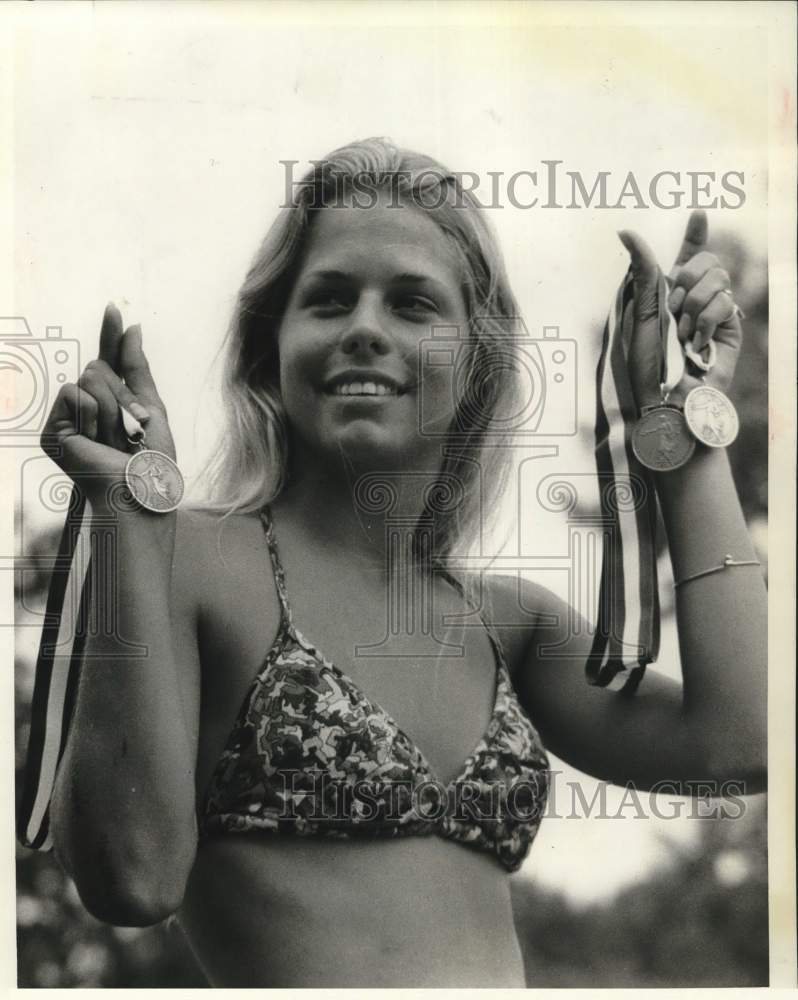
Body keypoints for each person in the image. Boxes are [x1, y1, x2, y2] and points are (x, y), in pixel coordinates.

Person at [41, 139, 766, 988]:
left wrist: (686, 425)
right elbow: (131, 879)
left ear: (477, 359)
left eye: (414, 304)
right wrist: (130, 513)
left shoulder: (509, 626)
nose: (363, 329)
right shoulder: (188, 558)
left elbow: (741, 743)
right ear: (272, 348)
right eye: (329, 299)